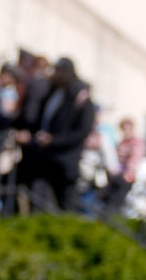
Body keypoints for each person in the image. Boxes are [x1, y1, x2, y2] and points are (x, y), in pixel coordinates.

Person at [12, 57, 97, 212]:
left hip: (65, 162)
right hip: (45, 158)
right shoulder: (54, 93)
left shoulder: (80, 99)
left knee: (65, 205)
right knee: (38, 201)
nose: (55, 75)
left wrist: (54, 140)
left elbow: (81, 132)